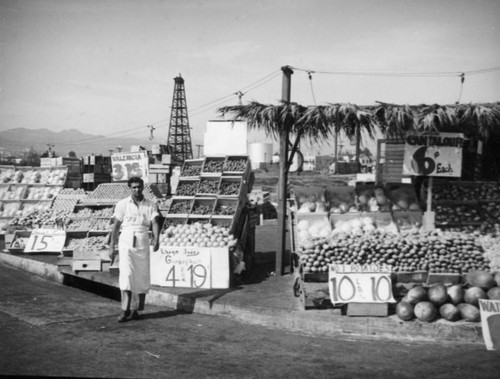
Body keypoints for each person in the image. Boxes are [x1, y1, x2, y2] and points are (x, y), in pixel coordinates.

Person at [109, 176, 161, 322]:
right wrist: (112, 245)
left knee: (141, 274)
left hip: (142, 239)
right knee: (126, 274)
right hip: (126, 240)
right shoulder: (122, 204)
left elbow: (155, 221)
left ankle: (136, 310)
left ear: (143, 187)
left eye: (139, 187)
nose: (137, 189)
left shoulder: (151, 204)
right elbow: (116, 226)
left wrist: (157, 238)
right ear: (130, 188)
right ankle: (124, 310)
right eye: (134, 187)